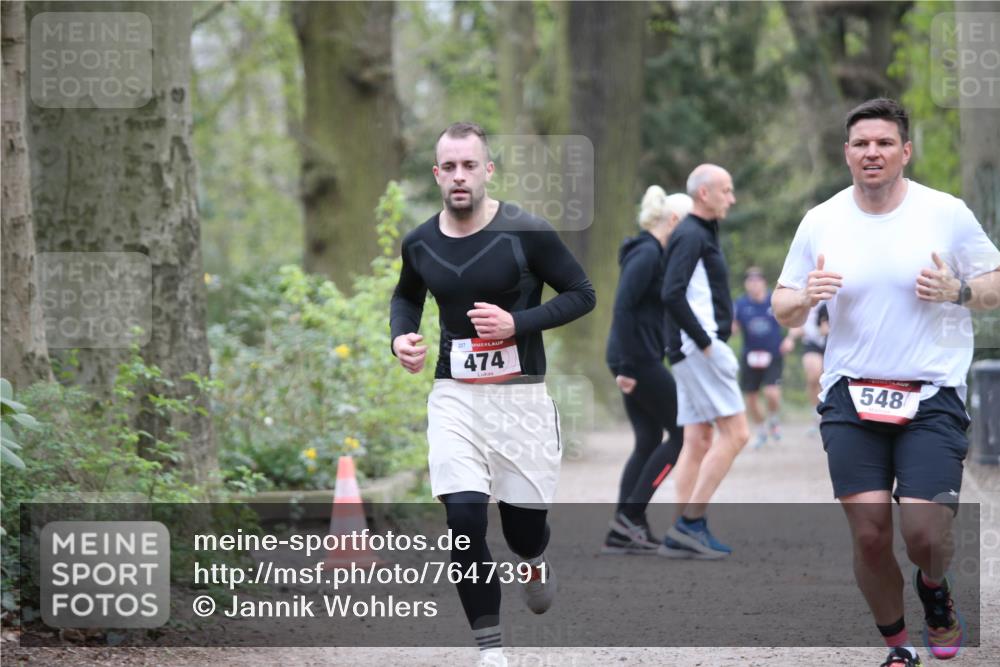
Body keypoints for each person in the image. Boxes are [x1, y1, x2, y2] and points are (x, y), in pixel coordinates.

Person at [772, 98, 1000, 667]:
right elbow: (783, 305)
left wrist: (961, 292)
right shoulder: (821, 219)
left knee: (925, 534)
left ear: (905, 151)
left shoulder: (944, 213)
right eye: (860, 144)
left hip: (931, 395)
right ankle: (898, 645)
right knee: (871, 534)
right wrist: (806, 297)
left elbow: (995, 281)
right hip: (850, 394)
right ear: (846, 153)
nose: (871, 152)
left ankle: (934, 590)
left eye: (883, 143)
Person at [390, 122, 595, 667]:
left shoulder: (527, 232)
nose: (460, 176)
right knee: (463, 522)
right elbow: (406, 298)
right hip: (454, 395)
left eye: (469, 165)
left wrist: (517, 323)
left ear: (488, 170)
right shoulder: (420, 242)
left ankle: (533, 560)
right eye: (449, 167)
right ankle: (491, 651)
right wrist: (400, 339)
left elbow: (582, 294)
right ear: (437, 175)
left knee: (524, 531)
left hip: (520, 399)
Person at [659, 163, 750, 560]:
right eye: (726, 190)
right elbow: (671, 294)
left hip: (691, 348)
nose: (731, 198)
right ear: (704, 194)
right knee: (738, 433)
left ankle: (682, 530)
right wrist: (706, 343)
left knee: (698, 440)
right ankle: (690, 524)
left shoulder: (701, 232)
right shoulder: (691, 234)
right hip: (698, 348)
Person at [603, 186, 692, 554]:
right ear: (673, 222)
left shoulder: (654, 253)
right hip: (635, 359)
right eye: (688, 229)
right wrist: (625, 365)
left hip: (637, 356)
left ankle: (623, 529)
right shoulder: (646, 254)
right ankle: (631, 516)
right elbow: (622, 307)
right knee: (682, 433)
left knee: (648, 438)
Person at [732, 267, 795, 449]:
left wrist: (789, 339)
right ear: (746, 284)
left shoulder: (773, 301)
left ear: (764, 282)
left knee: (771, 392)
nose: (753, 283)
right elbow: (733, 327)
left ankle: (773, 420)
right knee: (750, 399)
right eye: (750, 280)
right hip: (750, 356)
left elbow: (794, 318)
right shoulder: (741, 304)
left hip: (773, 354)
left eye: (757, 280)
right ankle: (760, 430)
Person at [789, 303, 829, 434]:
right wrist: (790, 338)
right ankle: (816, 414)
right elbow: (796, 320)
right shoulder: (807, 295)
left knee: (828, 380)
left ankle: (829, 413)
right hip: (811, 342)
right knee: (813, 376)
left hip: (831, 342)